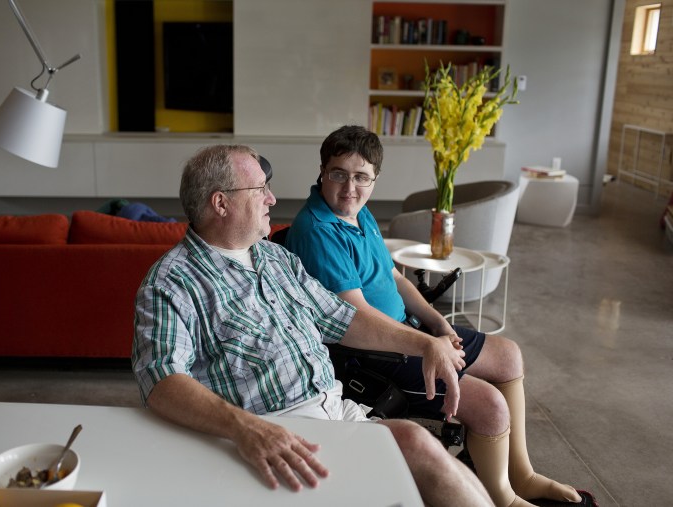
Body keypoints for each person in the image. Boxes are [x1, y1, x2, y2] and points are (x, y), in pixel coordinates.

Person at [132, 144, 494, 507]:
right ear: (221, 203)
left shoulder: (274, 256)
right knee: (415, 452)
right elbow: (161, 380)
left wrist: (425, 343)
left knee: (421, 445)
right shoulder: (171, 282)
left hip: (334, 411)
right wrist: (244, 428)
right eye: (260, 190)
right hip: (272, 435)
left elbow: (341, 319)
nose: (271, 199)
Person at [285, 125, 591, 507]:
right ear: (322, 172)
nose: (350, 188)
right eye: (339, 175)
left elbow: (394, 278)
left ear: (375, 180)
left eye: (361, 178)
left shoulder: (358, 215)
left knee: (509, 355)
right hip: (372, 353)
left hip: (409, 334)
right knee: (492, 406)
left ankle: (522, 475)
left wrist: (438, 323)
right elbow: (356, 318)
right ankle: (504, 497)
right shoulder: (318, 230)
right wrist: (429, 344)